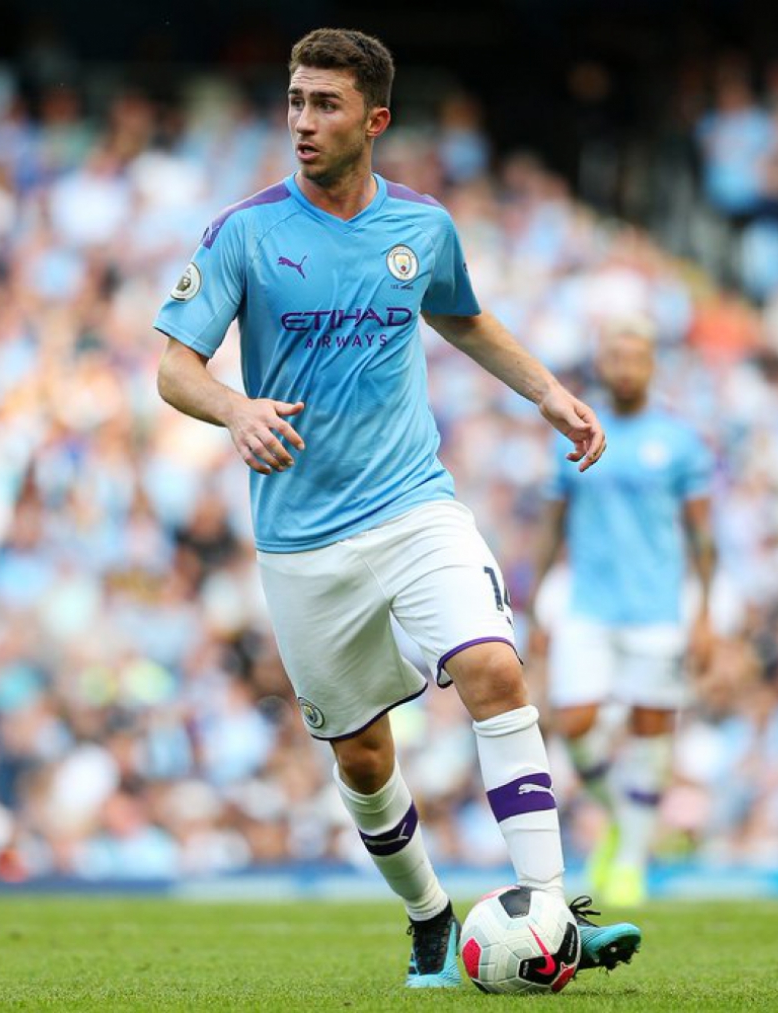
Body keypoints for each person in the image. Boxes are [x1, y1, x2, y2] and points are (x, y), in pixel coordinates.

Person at [155, 27, 641, 988]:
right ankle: (428, 912)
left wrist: (544, 389)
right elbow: (175, 366)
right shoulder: (244, 232)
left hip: (415, 506)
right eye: (295, 101)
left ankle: (550, 911)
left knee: (495, 668)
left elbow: (460, 313)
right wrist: (235, 406)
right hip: (301, 541)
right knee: (366, 758)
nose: (303, 121)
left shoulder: (421, 228)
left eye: (324, 104)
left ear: (374, 120)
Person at [531, 316, 716, 907]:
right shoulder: (575, 433)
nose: (626, 367)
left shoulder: (679, 441)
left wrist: (706, 613)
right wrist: (536, 603)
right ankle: (624, 821)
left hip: (658, 609)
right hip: (589, 604)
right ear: (601, 364)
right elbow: (552, 525)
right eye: (616, 356)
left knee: (650, 733)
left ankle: (631, 860)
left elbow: (702, 535)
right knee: (573, 722)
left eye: (637, 356)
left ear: (651, 365)